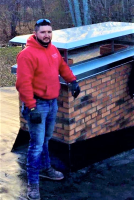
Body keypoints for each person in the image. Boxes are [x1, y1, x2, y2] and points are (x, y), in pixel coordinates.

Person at [16, 19, 80, 200]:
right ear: (36, 33)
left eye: (49, 32)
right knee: (36, 145)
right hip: (37, 105)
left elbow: (61, 66)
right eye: (43, 32)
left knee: (46, 139)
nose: (46, 35)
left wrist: (72, 81)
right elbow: (23, 83)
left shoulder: (53, 50)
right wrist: (31, 107)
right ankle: (33, 184)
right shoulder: (27, 55)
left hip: (52, 103)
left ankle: (45, 168)